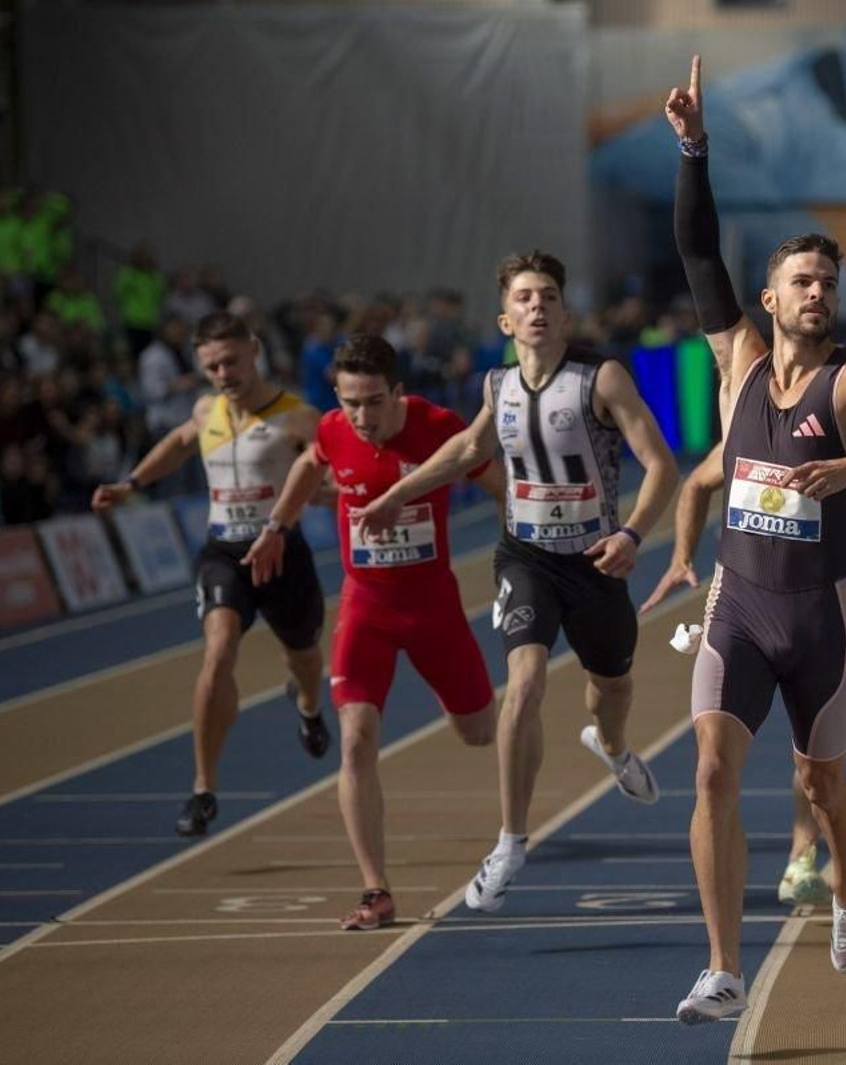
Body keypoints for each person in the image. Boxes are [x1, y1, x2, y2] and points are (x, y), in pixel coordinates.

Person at [664, 55, 846, 1024]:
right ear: (768, 300)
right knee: (709, 769)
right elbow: (698, 253)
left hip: (822, 611)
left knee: (822, 789)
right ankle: (722, 968)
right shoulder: (735, 357)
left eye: (826, 279)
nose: (817, 291)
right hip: (739, 600)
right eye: (800, 280)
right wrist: (694, 149)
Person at [349, 250, 680, 915]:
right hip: (524, 557)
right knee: (523, 686)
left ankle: (611, 746)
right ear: (505, 318)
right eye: (524, 297)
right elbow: (469, 450)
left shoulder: (601, 379)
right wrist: (397, 492)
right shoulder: (496, 386)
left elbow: (661, 464)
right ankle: (510, 841)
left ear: (564, 312)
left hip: (594, 560)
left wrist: (632, 534)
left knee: (611, 687)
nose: (537, 306)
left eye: (548, 296)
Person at [244, 333, 504, 931]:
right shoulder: (333, 430)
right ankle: (375, 890)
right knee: (357, 739)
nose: (361, 416)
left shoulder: (439, 426)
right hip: (366, 611)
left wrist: (514, 561)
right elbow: (311, 465)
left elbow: (500, 487)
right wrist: (276, 528)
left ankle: (453, 696)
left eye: (373, 402)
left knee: (480, 733)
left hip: (435, 610)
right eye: (350, 401)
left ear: (398, 393)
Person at [92, 311, 329, 838]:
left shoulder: (299, 418)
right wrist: (131, 483)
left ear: (255, 351)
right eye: (211, 366)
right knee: (218, 650)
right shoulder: (206, 411)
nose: (222, 374)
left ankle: (309, 706)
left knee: (306, 658)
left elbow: (327, 476)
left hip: (284, 553)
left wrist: (337, 497)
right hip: (224, 552)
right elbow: (178, 444)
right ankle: (203, 789)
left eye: (230, 361)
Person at [641, 439, 846, 908]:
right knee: (712, 767)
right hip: (746, 601)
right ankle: (729, 957)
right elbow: (696, 485)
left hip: (821, 601)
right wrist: (682, 556)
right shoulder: (751, 429)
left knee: (815, 770)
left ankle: (807, 856)